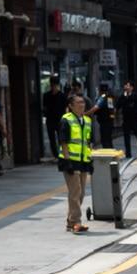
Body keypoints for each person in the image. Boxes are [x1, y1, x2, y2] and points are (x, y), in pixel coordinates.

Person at [58, 94, 94, 234]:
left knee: (81, 193)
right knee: (75, 192)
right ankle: (76, 222)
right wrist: (67, 161)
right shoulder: (66, 120)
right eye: (78, 103)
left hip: (83, 161)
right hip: (70, 161)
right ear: (71, 106)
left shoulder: (87, 120)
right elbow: (63, 142)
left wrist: (90, 159)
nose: (82, 105)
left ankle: (70, 222)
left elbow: (88, 142)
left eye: (83, 102)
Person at [116, 82, 137, 156]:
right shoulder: (122, 96)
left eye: (128, 85)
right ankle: (128, 153)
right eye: (125, 85)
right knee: (126, 137)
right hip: (126, 119)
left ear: (132, 88)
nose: (126, 87)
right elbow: (117, 106)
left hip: (135, 119)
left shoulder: (136, 96)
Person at [42, 77, 67, 162]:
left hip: (60, 120)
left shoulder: (62, 96)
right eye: (52, 85)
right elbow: (44, 107)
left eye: (55, 85)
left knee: (61, 138)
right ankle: (56, 156)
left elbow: (66, 108)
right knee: (51, 138)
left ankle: (61, 154)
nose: (53, 87)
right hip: (50, 119)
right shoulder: (46, 95)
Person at [94, 83, 116, 150]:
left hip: (105, 121)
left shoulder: (103, 98)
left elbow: (96, 108)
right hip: (108, 121)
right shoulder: (109, 98)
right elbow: (112, 110)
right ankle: (110, 152)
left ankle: (108, 153)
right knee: (108, 139)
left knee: (105, 139)